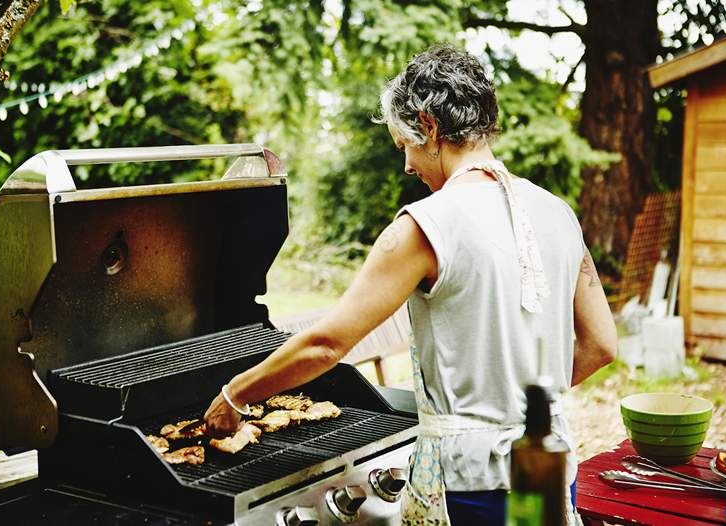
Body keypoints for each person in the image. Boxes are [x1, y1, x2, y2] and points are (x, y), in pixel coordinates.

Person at [203, 44, 617, 525]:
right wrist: (520, 405)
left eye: (406, 146)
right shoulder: (556, 212)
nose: (407, 167)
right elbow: (603, 344)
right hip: (548, 462)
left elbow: (326, 344)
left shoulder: (425, 225)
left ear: (431, 126)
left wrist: (235, 394)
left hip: (472, 480)